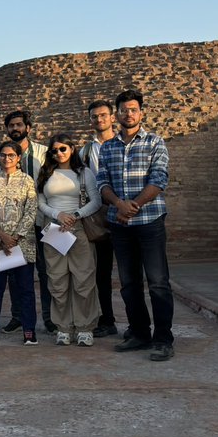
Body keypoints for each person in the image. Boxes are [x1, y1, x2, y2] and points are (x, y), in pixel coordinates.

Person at [98, 89, 175, 362]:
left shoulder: (155, 143)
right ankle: (140, 333)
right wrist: (119, 205)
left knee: (157, 282)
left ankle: (163, 339)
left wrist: (133, 206)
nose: (128, 114)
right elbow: (102, 183)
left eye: (133, 109)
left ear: (141, 112)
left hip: (149, 221)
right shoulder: (107, 147)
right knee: (129, 283)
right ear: (116, 114)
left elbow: (159, 179)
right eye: (123, 110)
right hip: (119, 223)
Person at [38, 134, 103, 347]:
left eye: (63, 149)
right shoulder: (46, 173)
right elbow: (40, 202)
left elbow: (96, 201)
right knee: (57, 281)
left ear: (72, 149)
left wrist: (74, 215)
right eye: (54, 150)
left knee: (83, 279)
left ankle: (85, 327)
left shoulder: (84, 173)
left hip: (78, 227)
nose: (59, 153)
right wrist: (58, 215)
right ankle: (63, 327)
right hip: (54, 228)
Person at [0, 110, 55, 335]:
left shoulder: (43, 153)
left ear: (28, 128)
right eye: (11, 125)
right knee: (14, 272)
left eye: (19, 124)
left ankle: (50, 318)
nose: (15, 129)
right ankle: (17, 316)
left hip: (42, 221)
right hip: (10, 227)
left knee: (46, 270)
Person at [0, 141, 40, 345]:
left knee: (26, 289)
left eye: (11, 155)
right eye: (3, 155)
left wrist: (15, 238)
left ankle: (29, 330)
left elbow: (31, 210)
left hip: (22, 244)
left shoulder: (27, 181)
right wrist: (2, 236)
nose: (7, 159)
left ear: (19, 158)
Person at [81, 100, 120, 338]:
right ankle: (107, 319)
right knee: (101, 273)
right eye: (95, 117)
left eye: (103, 115)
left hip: (127, 214)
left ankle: (140, 325)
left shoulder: (123, 145)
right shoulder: (86, 151)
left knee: (130, 273)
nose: (99, 120)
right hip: (99, 216)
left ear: (112, 118)